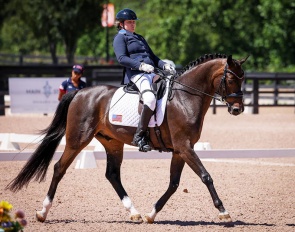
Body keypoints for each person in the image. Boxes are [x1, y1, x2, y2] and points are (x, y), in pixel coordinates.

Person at [113, 8, 176, 152]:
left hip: (152, 72)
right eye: (130, 22)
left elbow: (153, 58)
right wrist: (140, 65)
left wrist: (164, 65)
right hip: (137, 75)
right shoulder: (120, 38)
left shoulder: (140, 38)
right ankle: (139, 136)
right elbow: (121, 58)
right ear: (121, 24)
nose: (133, 24)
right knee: (150, 99)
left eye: (134, 22)